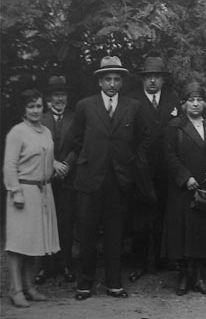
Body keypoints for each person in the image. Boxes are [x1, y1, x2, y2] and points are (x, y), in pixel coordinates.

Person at [71, 56, 154, 300]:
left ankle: (114, 284)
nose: (112, 84)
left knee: (114, 233)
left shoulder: (132, 107)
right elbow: (75, 138)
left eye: (117, 79)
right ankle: (84, 285)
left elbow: (144, 136)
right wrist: (90, 156)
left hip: (118, 179)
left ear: (122, 82)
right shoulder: (85, 106)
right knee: (87, 233)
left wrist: (130, 158)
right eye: (107, 79)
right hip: (90, 178)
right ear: (100, 82)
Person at [163, 81, 206, 296]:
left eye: (199, 100)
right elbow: (169, 156)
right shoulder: (175, 126)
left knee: (202, 232)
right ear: (184, 103)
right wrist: (185, 177)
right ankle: (183, 277)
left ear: (205, 103)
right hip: (183, 189)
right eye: (191, 100)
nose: (196, 104)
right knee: (183, 233)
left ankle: (199, 277)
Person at [4, 89, 62, 307]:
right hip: (23, 192)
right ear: (23, 109)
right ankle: (15, 289)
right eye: (31, 106)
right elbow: (10, 164)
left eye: (38, 106)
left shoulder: (45, 131)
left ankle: (29, 287)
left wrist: (54, 165)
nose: (36, 110)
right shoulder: (17, 132)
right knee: (18, 244)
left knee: (34, 243)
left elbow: (46, 156)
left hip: (43, 192)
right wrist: (16, 191)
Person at [127, 55, 181, 281]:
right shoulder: (132, 100)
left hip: (166, 167)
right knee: (140, 216)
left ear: (163, 79)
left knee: (164, 214)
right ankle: (139, 262)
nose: (152, 81)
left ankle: (161, 258)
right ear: (143, 79)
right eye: (148, 76)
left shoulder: (172, 99)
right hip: (141, 167)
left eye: (157, 77)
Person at [34, 76, 78, 285]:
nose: (60, 99)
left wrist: (67, 164)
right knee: (45, 223)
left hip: (68, 179)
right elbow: (35, 147)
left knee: (66, 223)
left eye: (63, 94)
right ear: (48, 98)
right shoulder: (39, 119)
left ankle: (66, 264)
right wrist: (53, 164)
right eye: (56, 95)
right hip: (45, 179)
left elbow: (79, 145)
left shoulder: (75, 118)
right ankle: (45, 266)